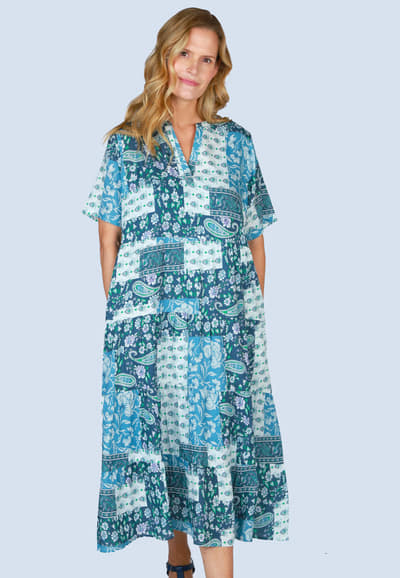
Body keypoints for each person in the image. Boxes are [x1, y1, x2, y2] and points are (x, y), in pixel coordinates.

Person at [82, 7, 289, 578]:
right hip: (147, 332)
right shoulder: (125, 146)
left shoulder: (238, 143)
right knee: (170, 444)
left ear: (219, 68)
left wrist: (240, 326)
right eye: (184, 54)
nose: (194, 68)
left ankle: (195, 563)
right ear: (165, 56)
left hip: (222, 336)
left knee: (212, 454)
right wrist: (131, 327)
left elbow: (255, 242)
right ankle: (177, 557)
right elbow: (109, 243)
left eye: (207, 59)